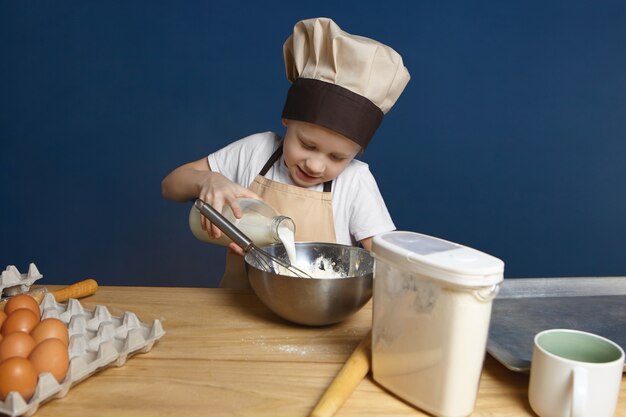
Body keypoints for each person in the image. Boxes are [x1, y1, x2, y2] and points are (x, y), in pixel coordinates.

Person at [162, 17, 410, 288]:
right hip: (237, 309)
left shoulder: (355, 182)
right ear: (287, 120)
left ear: (357, 153)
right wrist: (207, 180)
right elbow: (170, 186)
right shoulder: (256, 151)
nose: (315, 165)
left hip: (321, 314)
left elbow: (386, 259)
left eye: (337, 157)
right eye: (307, 144)